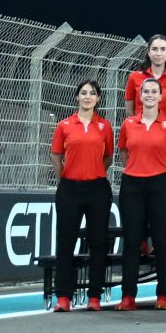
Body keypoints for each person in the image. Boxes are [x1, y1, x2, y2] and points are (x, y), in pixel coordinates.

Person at [115, 76, 166, 310]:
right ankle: (128, 296)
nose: (150, 95)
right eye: (146, 92)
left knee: (162, 241)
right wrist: (137, 169)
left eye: (155, 91)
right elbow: (123, 151)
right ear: (140, 96)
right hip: (132, 184)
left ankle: (164, 295)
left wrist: (161, 175)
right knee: (132, 241)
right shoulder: (129, 123)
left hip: (161, 183)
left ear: (161, 96)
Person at [51, 80, 115, 311]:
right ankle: (63, 297)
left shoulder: (105, 126)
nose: (87, 97)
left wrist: (94, 172)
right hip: (69, 189)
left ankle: (95, 296)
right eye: (83, 93)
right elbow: (56, 155)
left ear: (98, 99)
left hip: (97, 189)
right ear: (77, 97)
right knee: (66, 242)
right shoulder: (64, 125)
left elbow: (108, 156)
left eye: (92, 93)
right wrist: (67, 177)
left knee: (97, 242)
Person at [127, 35, 166, 124]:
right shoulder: (134, 77)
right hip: (140, 128)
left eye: (163, 49)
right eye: (154, 49)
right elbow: (130, 110)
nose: (158, 53)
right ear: (148, 52)